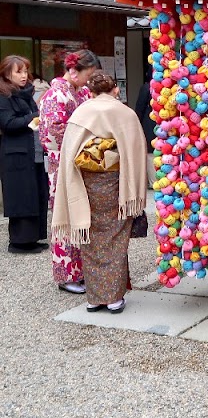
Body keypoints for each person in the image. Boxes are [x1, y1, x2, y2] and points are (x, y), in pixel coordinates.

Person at [52, 72, 147, 313]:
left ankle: (94, 298)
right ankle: (114, 298)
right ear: (115, 89)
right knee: (115, 239)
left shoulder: (81, 113)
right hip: (117, 184)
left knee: (91, 238)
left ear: (91, 92)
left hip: (86, 186)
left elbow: (68, 151)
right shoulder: (125, 114)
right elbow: (136, 152)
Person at [39, 49, 100, 293]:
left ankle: (83, 269)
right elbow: (51, 133)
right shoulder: (55, 94)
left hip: (84, 161)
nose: (89, 80)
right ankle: (66, 274)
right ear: (74, 72)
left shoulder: (82, 92)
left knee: (83, 217)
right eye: (88, 74)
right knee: (65, 217)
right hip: (63, 162)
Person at [0, 56, 49, 253]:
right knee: (22, 196)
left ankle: (33, 238)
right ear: (6, 74)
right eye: (18, 71)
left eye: (25, 71)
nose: (23, 76)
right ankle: (20, 242)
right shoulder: (3, 96)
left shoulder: (26, 93)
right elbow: (7, 123)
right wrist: (34, 117)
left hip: (33, 152)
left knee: (36, 194)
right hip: (16, 154)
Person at [134, 66, 156, 188]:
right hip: (162, 122)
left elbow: (139, 108)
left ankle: (153, 182)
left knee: (150, 152)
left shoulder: (147, 87)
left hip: (149, 122)